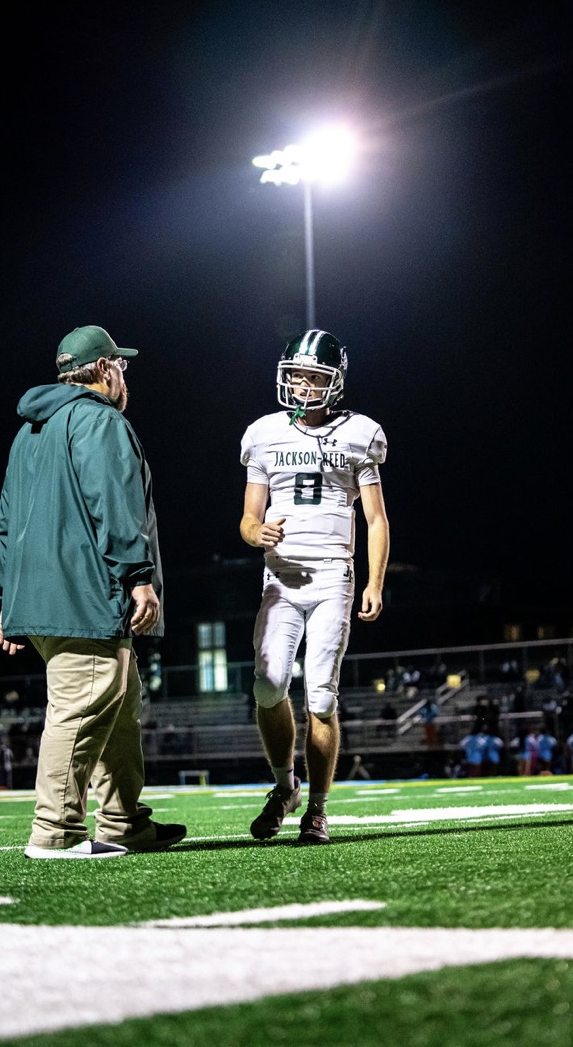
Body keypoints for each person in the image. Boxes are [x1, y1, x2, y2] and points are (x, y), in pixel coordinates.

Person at [0, 324, 186, 859]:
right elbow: (113, 503)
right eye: (119, 364)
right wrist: (138, 577)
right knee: (80, 710)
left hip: (41, 597)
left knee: (118, 707)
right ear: (103, 369)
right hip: (85, 595)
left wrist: (8, 596)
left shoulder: (30, 430)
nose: (124, 373)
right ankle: (55, 832)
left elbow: (4, 521)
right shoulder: (100, 420)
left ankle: (124, 823)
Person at [239, 329, 390, 845]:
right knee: (267, 684)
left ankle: (318, 810)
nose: (303, 386)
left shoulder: (360, 433)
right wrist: (256, 532)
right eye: (296, 376)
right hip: (279, 578)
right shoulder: (263, 433)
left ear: (335, 382)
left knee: (321, 694)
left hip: (331, 576)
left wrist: (375, 580)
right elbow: (247, 518)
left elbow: (375, 518)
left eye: (315, 377)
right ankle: (285, 789)